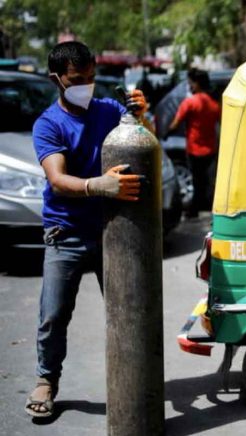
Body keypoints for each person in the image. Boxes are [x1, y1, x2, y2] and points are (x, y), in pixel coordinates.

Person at [25, 41, 149, 418]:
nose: (87, 86)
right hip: (67, 233)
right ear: (57, 79)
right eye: (78, 80)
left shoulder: (109, 110)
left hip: (114, 232)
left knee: (130, 310)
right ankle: (46, 381)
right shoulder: (49, 124)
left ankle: (138, 381)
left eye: (92, 78)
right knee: (53, 314)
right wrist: (98, 185)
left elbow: (140, 141)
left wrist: (140, 115)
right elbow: (58, 179)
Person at [166, 68, 221, 218]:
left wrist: (165, 133)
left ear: (196, 84)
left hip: (194, 148)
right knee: (208, 181)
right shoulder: (214, 104)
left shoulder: (189, 102)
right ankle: (210, 209)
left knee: (196, 180)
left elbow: (176, 123)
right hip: (211, 148)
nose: (189, 86)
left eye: (190, 82)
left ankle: (194, 210)